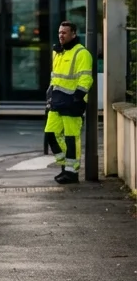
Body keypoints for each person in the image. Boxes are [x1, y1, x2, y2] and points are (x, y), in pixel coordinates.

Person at [45, 20, 94, 184]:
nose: (61, 35)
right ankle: (65, 165)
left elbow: (86, 78)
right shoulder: (58, 52)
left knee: (71, 138)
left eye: (64, 32)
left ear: (73, 34)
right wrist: (49, 94)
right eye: (60, 32)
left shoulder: (81, 53)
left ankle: (71, 172)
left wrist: (78, 97)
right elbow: (55, 77)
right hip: (57, 100)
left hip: (73, 102)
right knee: (50, 134)